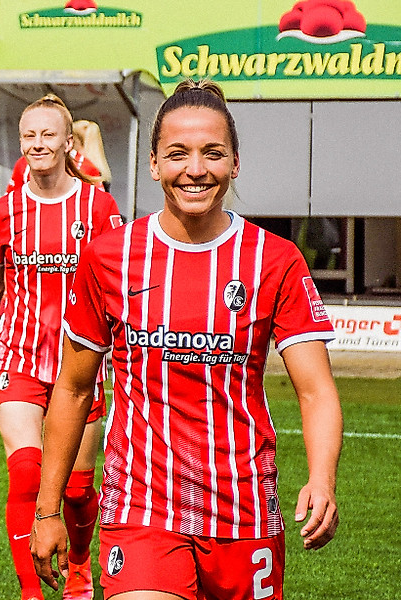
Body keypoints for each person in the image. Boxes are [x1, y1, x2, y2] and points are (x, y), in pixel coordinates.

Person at [32, 80, 342, 599]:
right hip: (141, 506)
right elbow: (74, 388)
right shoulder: (109, 256)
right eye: (178, 154)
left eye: (212, 153)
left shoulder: (275, 259)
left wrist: (322, 478)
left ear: (235, 163)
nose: (195, 169)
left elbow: (315, 390)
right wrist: (47, 510)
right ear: (154, 164)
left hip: (244, 509)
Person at [0, 94, 121, 600]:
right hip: (19, 355)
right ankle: (31, 593)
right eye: (29, 135)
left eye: (48, 134)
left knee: (76, 491)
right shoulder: (2, 212)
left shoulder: (98, 207)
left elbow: (116, 287)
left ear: (68, 142)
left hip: (80, 365)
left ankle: (79, 564)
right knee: (26, 475)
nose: (37, 143)